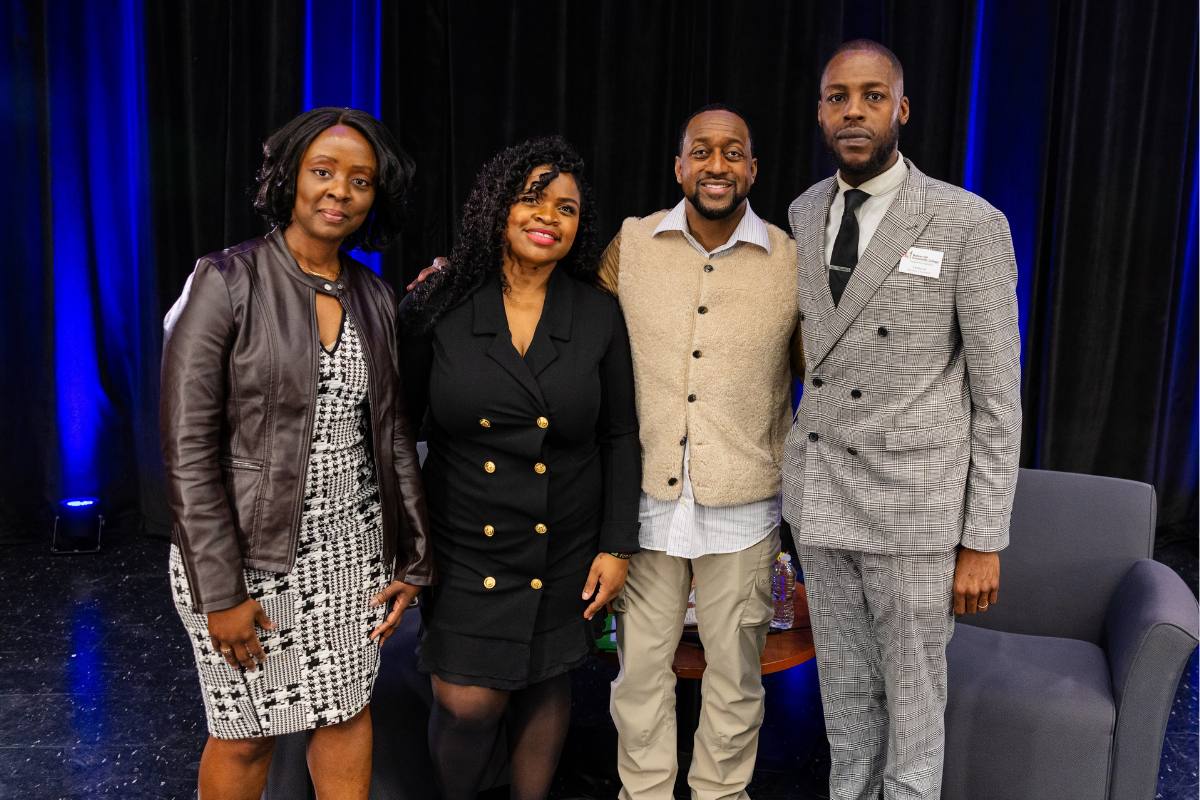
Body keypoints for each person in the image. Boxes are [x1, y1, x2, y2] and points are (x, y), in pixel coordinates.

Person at [160, 107, 432, 800]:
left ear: (377, 197)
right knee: (244, 735)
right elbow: (188, 451)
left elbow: (394, 434)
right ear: (290, 180)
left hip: (351, 551)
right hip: (246, 555)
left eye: (360, 180)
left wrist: (411, 556)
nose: (340, 189)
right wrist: (221, 593)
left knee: (345, 714)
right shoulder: (225, 281)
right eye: (323, 171)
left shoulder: (373, 296)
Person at [784, 40, 1022, 799]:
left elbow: (998, 394)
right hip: (823, 498)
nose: (854, 109)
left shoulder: (966, 221)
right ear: (822, 111)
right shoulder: (804, 209)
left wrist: (983, 537)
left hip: (915, 505)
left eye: (872, 95)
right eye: (837, 96)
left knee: (914, 709)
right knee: (847, 700)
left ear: (901, 109)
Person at [398, 135, 640, 800]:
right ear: (497, 209)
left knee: (544, 680)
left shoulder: (597, 314)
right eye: (532, 199)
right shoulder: (439, 302)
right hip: (463, 539)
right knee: (466, 705)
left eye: (565, 208)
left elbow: (621, 436)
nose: (548, 216)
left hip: (561, 540)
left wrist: (617, 545)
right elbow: (396, 429)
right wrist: (405, 544)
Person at [600, 105, 802, 800]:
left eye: (734, 152)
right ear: (680, 166)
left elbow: (821, 365)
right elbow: (580, 330)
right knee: (640, 674)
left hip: (744, 504)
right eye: (702, 152)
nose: (718, 165)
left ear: (752, 169)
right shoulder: (632, 244)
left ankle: (722, 794)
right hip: (648, 502)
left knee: (735, 677)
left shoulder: (788, 257)